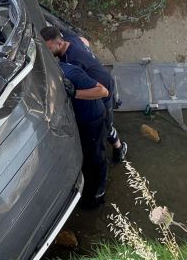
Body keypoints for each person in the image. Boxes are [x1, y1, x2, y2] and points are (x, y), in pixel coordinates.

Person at [40, 26, 127, 163]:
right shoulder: (71, 39)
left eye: (49, 49)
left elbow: (101, 91)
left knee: (105, 125)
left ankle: (119, 148)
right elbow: (84, 41)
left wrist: (75, 93)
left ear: (60, 43)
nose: (48, 53)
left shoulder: (71, 62)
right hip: (102, 75)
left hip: (104, 88)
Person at [59, 62, 110, 208]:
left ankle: (99, 192)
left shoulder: (70, 72)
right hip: (80, 120)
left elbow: (103, 91)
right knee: (86, 155)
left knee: (96, 157)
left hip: (93, 119)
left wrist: (75, 93)